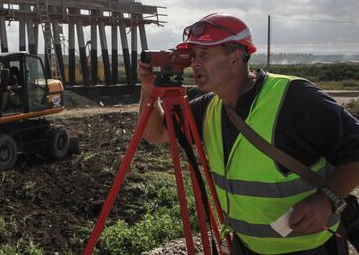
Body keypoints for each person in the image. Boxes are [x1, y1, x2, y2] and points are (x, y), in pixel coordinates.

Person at [137, 13, 359, 254]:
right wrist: (149, 89)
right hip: (245, 246)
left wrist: (327, 199)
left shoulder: (292, 96)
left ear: (235, 58)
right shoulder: (208, 107)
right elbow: (155, 133)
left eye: (204, 54)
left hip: (308, 247)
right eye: (193, 55)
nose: (195, 63)